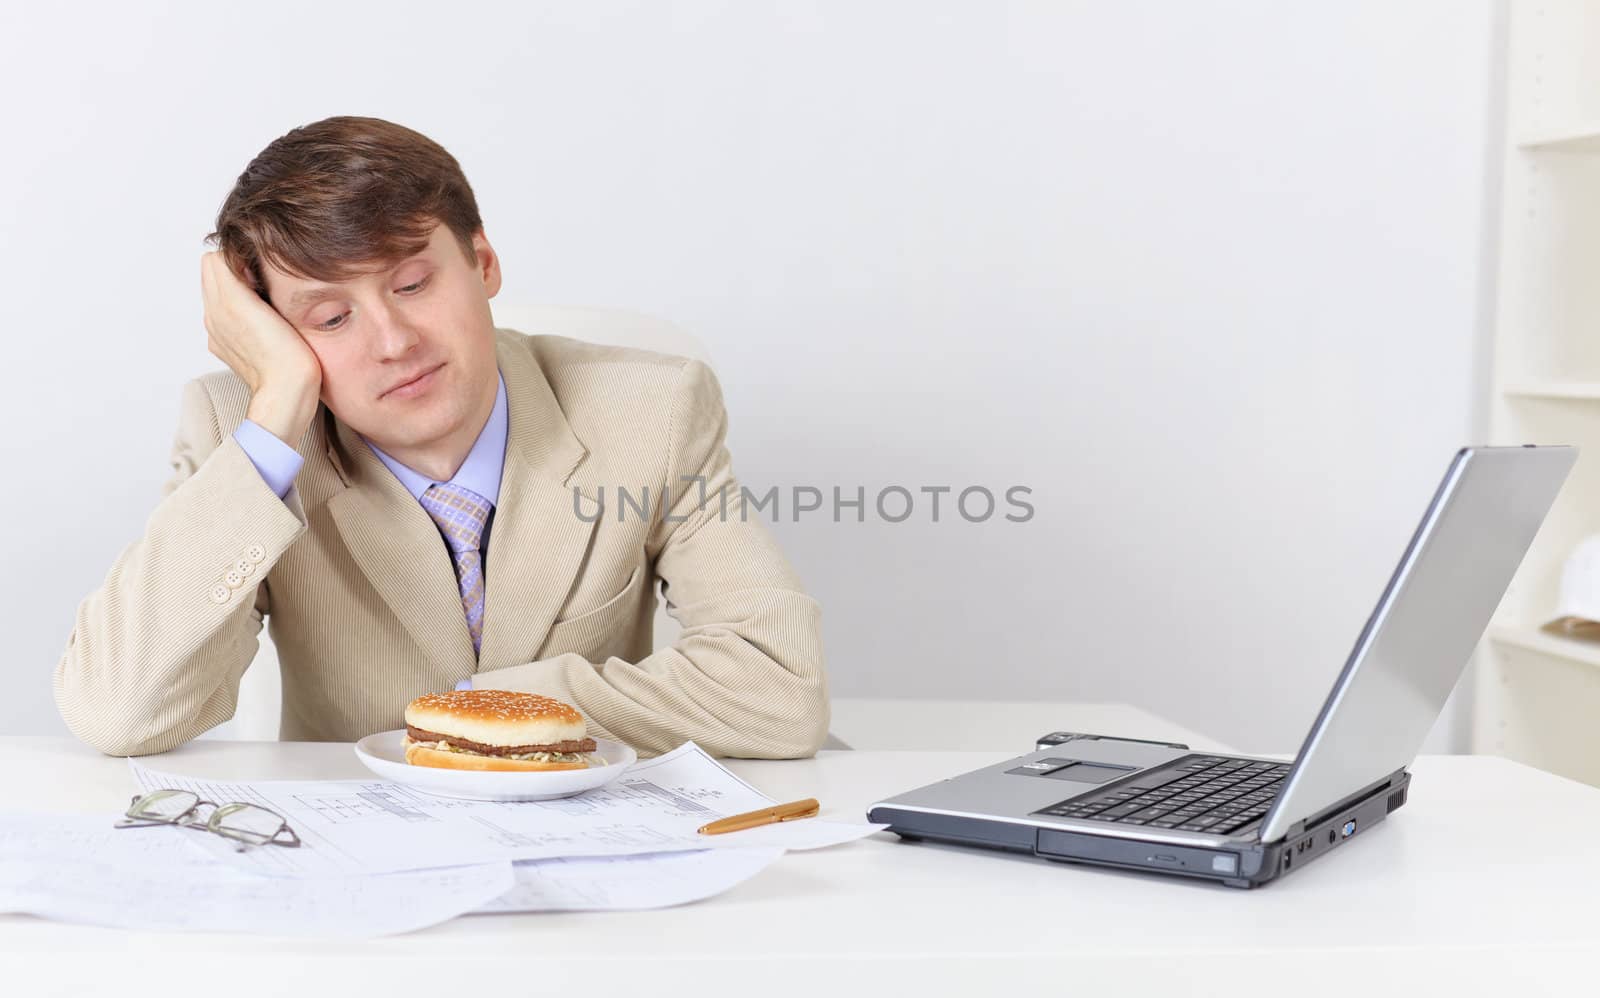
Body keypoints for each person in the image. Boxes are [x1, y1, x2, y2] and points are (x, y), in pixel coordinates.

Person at [54, 116, 829, 759]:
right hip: (361, 870)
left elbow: (779, 690)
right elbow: (118, 713)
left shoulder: (654, 408)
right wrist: (279, 409)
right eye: (329, 318)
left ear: (482, 262)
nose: (393, 341)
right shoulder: (244, 435)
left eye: (413, 284)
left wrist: (493, 712)